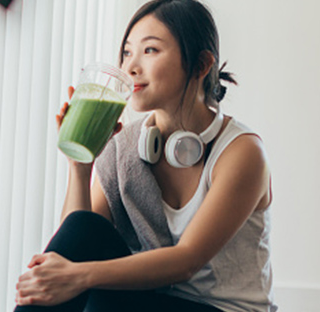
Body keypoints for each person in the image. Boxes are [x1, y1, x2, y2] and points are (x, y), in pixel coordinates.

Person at [14, 0, 276, 311]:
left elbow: (187, 260)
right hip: (154, 299)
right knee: (87, 234)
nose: (131, 67)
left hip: (222, 309)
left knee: (91, 285)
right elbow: (79, 239)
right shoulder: (124, 145)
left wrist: (79, 276)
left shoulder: (242, 153)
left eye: (150, 50)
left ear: (202, 64)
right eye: (127, 52)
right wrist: (80, 167)